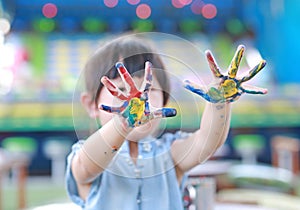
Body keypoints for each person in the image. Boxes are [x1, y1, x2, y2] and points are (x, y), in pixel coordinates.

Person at [65, 34, 267, 210]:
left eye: (149, 90)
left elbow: (206, 142)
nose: (138, 101)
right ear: (91, 104)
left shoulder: (170, 154)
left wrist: (219, 102)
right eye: (122, 90)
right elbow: (87, 165)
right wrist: (123, 122)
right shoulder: (88, 154)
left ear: (165, 100)